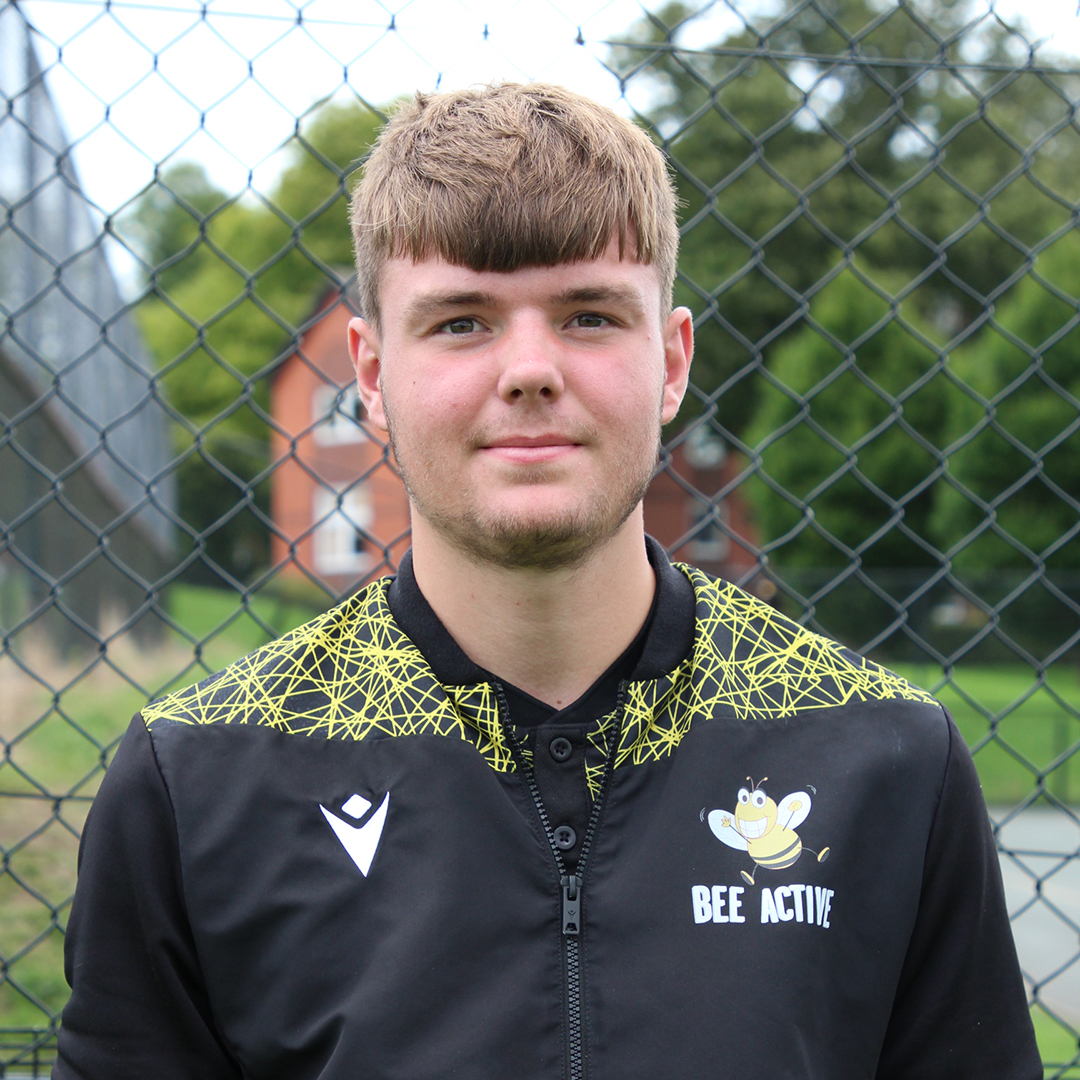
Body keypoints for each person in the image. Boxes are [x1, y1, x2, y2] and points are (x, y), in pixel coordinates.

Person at [55, 83, 1040, 1080]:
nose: (529, 370)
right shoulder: (200, 780)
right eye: (461, 322)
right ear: (371, 375)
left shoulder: (881, 757)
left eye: (589, 315)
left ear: (671, 362)